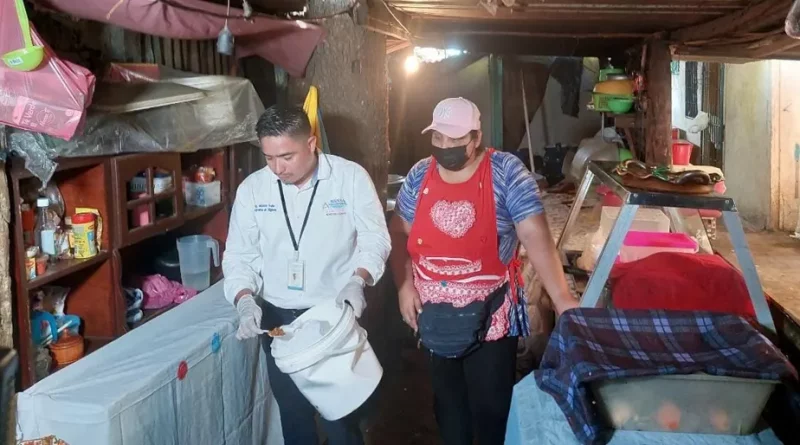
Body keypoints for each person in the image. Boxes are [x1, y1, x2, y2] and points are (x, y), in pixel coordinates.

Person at [389, 97, 579, 445]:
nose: (445, 147)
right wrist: (404, 286)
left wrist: (562, 298)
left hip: (491, 313)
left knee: (491, 407)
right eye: (438, 139)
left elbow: (533, 232)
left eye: (454, 139)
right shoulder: (420, 174)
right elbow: (400, 230)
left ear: (475, 137)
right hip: (434, 314)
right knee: (448, 405)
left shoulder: (505, 172)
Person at [223, 104, 391, 445]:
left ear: (311, 143)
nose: (277, 168)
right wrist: (243, 299)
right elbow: (240, 254)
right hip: (278, 320)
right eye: (268, 158)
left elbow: (375, 237)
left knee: (341, 419)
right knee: (294, 415)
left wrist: (359, 279)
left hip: (333, 315)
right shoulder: (254, 190)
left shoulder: (349, 178)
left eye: (286, 156)